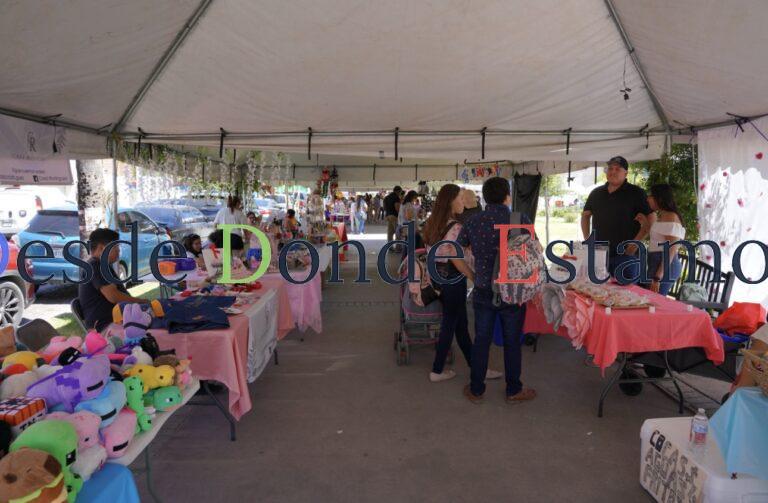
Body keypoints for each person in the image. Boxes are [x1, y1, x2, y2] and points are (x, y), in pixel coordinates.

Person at [456, 176, 536, 404]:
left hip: (483, 290)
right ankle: (513, 389)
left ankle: (476, 389)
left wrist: (472, 275)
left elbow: (456, 252)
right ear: (507, 196)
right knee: (512, 342)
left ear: (485, 196)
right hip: (513, 291)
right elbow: (535, 249)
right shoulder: (519, 218)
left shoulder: (473, 221)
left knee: (481, 340)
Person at [581, 156, 655, 283]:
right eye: (610, 168)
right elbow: (585, 216)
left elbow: (652, 218)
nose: (613, 171)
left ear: (626, 172)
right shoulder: (596, 193)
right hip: (599, 255)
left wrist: (636, 243)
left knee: (626, 298)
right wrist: (587, 239)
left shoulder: (636, 193)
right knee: (598, 293)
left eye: (617, 169)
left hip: (626, 256)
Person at [78, 228, 148, 332]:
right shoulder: (96, 266)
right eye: (115, 246)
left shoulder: (102, 265)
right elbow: (113, 296)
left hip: (118, 319)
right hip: (105, 327)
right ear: (102, 248)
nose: (118, 250)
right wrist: (141, 302)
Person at [643, 184, 685, 295]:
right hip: (657, 262)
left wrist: (658, 276)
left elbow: (672, 248)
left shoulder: (670, 216)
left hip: (663, 264)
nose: (648, 198)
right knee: (651, 300)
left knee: (654, 302)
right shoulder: (664, 215)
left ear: (660, 198)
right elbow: (658, 239)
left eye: (651, 195)